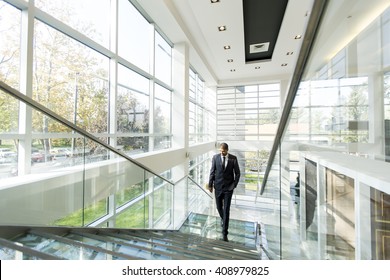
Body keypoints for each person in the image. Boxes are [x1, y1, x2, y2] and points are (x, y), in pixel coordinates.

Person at [208, 142, 240, 242]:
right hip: (217, 187)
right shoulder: (215, 157)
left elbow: (238, 173)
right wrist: (210, 185)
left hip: (228, 189)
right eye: (221, 151)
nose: (222, 152)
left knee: (226, 209)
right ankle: (224, 219)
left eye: (224, 151)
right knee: (218, 207)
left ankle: (225, 231)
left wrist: (234, 185)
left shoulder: (233, 159)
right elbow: (212, 172)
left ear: (227, 150)